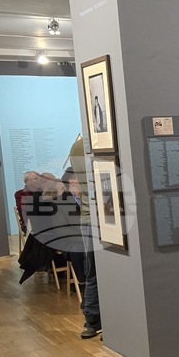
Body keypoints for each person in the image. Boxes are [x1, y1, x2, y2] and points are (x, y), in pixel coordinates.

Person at [69, 135, 101, 339]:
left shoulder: (76, 146)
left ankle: (92, 320)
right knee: (98, 271)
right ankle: (95, 319)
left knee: (92, 271)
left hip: (88, 217)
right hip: (102, 217)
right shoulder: (98, 142)